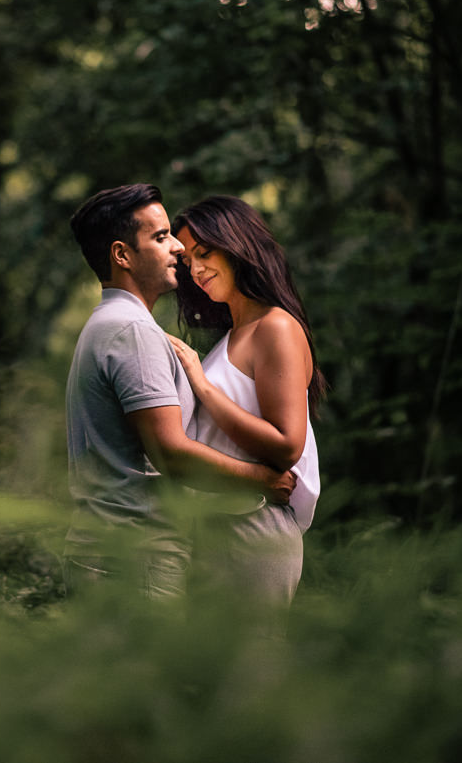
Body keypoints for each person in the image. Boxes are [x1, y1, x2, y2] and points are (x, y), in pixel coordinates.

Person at [64, 184, 296, 600]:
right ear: (122, 255)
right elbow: (170, 452)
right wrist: (261, 480)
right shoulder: (132, 331)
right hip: (135, 556)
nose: (178, 249)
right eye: (160, 236)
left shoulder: (109, 323)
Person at [167, 195, 326, 616]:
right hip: (216, 525)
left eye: (204, 253)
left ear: (239, 246)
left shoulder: (276, 327)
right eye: (187, 262)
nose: (195, 270)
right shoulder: (232, 337)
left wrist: (202, 385)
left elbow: (286, 445)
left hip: (255, 528)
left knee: (250, 673)